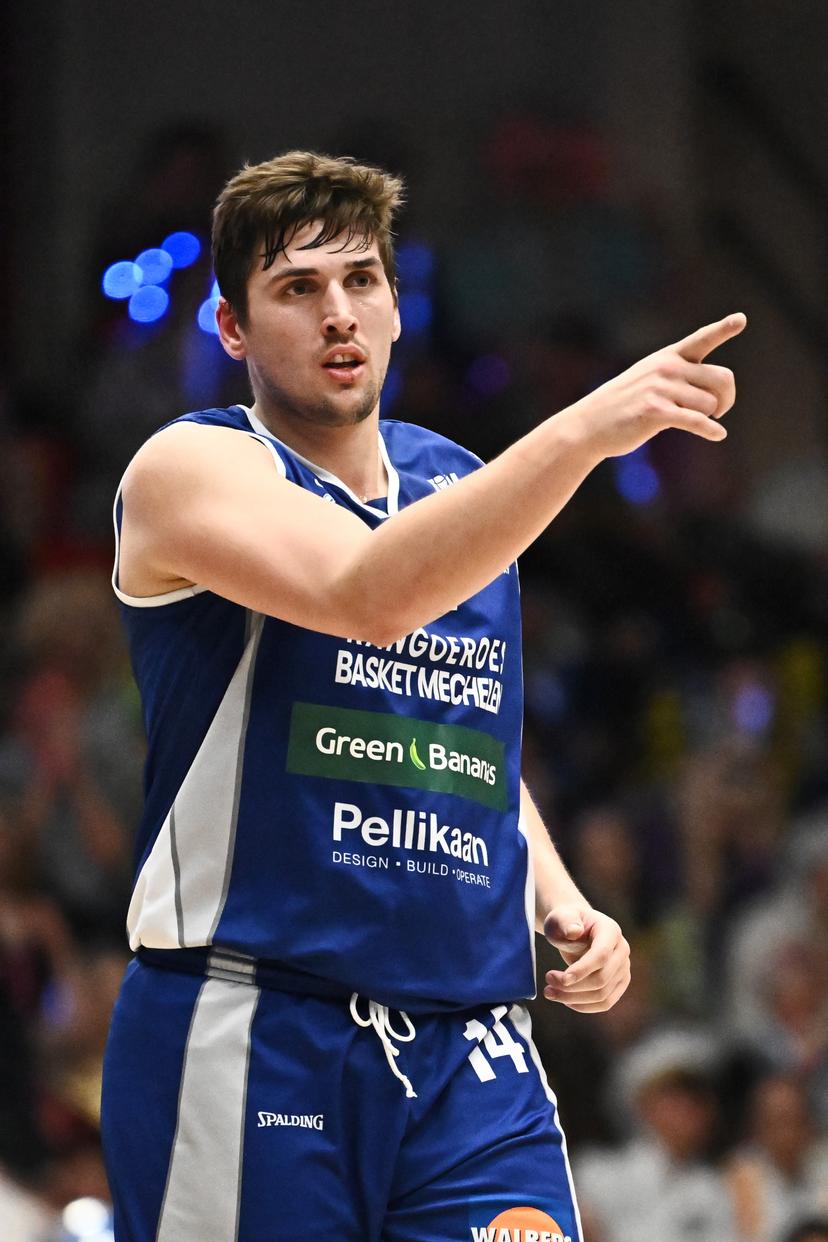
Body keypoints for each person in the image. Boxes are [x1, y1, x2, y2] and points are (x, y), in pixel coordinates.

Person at [100, 150, 744, 1241]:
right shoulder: (188, 470)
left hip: (469, 1046)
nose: (338, 314)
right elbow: (369, 596)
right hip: (254, 1023)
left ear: (399, 308)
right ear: (233, 329)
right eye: (298, 290)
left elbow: (454, 731)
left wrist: (554, 893)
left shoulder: (456, 479)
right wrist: (588, 427)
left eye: (361, 283)